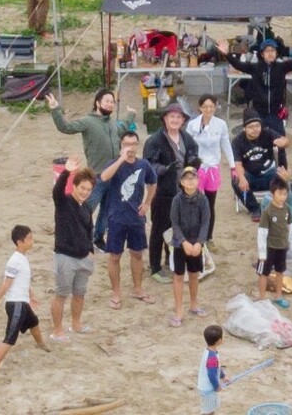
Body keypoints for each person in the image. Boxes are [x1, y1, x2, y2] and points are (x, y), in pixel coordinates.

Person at [47, 90, 136, 251]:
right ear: (97, 102)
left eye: (112, 102)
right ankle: (79, 238)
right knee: (86, 209)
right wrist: (55, 109)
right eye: (107, 101)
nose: (110, 104)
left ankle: (98, 238)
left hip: (115, 175)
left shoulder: (112, 123)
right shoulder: (88, 121)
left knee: (107, 211)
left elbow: (122, 127)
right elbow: (65, 127)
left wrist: (130, 115)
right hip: (96, 176)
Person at [143, 103, 201, 284]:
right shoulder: (154, 141)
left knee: (179, 227)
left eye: (179, 117)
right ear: (165, 119)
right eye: (171, 117)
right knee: (159, 228)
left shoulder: (188, 139)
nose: (175, 120)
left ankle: (171, 259)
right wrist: (162, 169)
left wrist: (193, 163)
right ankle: (155, 266)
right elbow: (148, 165)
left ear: (183, 120)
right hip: (162, 192)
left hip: (183, 191)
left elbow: (193, 158)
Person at [100, 131, 158, 309]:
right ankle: (116, 292)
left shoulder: (144, 164)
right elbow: (104, 177)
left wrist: (147, 202)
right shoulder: (114, 163)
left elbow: (153, 182)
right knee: (115, 256)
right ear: (121, 145)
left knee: (137, 254)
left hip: (136, 217)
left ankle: (138, 288)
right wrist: (120, 159)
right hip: (116, 217)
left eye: (133, 144)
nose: (130, 148)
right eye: (127, 144)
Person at [0, 225, 51, 372]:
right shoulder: (15, 260)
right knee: (11, 337)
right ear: (20, 242)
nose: (32, 241)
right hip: (16, 303)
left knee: (34, 322)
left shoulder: (22, 258)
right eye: (29, 238)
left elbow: (23, 280)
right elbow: (6, 284)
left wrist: (31, 296)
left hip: (22, 302)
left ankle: (40, 344)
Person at [219, 37, 292, 136]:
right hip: (258, 112)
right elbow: (238, 64)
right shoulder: (255, 67)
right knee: (259, 141)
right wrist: (227, 54)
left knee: (279, 141)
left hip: (276, 113)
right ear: (262, 54)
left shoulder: (282, 67)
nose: (270, 53)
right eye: (267, 51)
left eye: (273, 50)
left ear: (276, 53)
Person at [49, 155, 96, 342]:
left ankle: (76, 324)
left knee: (79, 294)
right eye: (82, 188)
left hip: (84, 257)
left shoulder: (86, 207)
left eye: (88, 189)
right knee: (61, 294)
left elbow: (89, 229)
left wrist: (91, 250)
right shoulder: (64, 201)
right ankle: (57, 330)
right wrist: (67, 171)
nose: (85, 192)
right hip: (65, 256)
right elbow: (57, 190)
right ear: (74, 186)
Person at [186, 95, 236, 249]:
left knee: (209, 204)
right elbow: (187, 145)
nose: (208, 109)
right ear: (200, 108)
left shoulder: (220, 125)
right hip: (197, 168)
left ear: (215, 107)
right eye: (205, 106)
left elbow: (226, 144)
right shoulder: (193, 124)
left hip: (213, 168)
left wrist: (233, 165)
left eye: (211, 106)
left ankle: (208, 236)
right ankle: (194, 236)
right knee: (194, 203)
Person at [169, 166, 211, 327]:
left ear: (198, 180)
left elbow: (206, 222)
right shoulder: (177, 201)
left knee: (194, 275)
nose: (190, 181)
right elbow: (175, 223)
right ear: (181, 182)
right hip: (181, 245)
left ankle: (194, 304)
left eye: (193, 178)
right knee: (178, 276)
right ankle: (178, 311)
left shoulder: (203, 200)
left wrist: (200, 242)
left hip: (196, 244)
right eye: (187, 178)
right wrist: (183, 242)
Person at [232, 107, 289, 222]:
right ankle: (255, 208)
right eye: (251, 127)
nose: (255, 130)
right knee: (237, 181)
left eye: (257, 126)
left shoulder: (267, 133)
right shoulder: (237, 141)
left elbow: (285, 140)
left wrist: (283, 142)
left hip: (269, 174)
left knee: (282, 174)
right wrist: (242, 178)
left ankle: (278, 204)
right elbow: (237, 163)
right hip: (251, 176)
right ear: (244, 128)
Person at [257, 176, 292, 309]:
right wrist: (262, 253)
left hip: (282, 246)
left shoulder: (287, 209)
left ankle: (278, 296)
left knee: (280, 271)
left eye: (285, 194)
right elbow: (261, 232)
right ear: (272, 193)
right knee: (264, 273)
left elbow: (290, 226)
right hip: (269, 247)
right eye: (280, 193)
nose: (282, 197)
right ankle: (262, 298)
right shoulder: (267, 211)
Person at [197, 325, 227, 415]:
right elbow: (211, 374)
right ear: (219, 341)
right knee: (208, 411)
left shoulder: (209, 350)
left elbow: (217, 367)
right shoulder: (212, 358)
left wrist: (223, 376)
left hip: (206, 387)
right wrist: (216, 386)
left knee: (210, 409)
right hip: (208, 389)